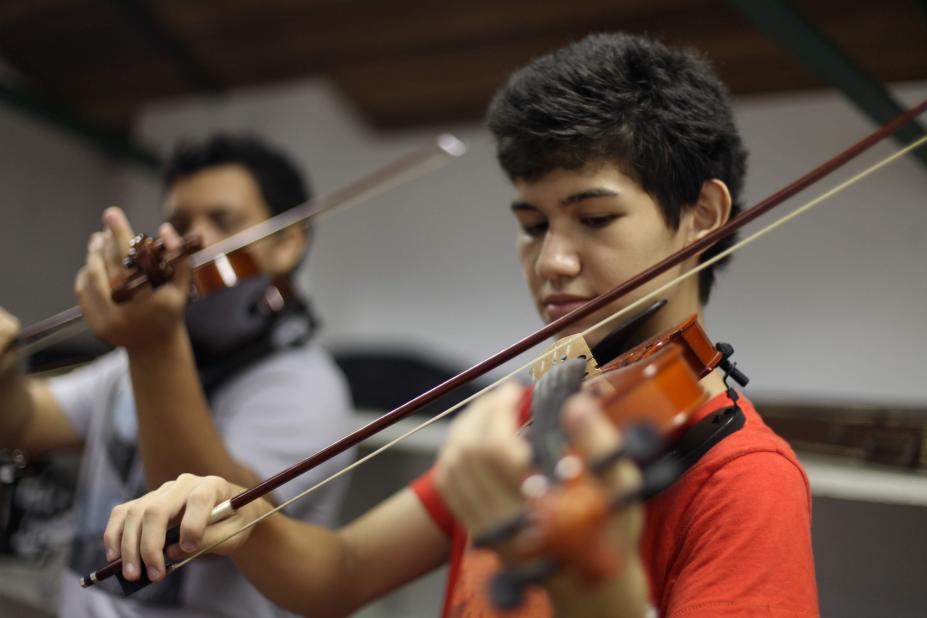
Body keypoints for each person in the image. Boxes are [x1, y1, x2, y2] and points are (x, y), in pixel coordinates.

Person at [97, 34, 819, 617]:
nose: (552, 262)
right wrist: (244, 522)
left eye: (594, 219)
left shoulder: (743, 482)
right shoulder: (539, 413)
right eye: (532, 225)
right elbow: (338, 576)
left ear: (701, 218)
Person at [0, 135, 355, 617]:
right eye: (181, 223)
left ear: (287, 241)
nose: (193, 242)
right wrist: (5, 373)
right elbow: (22, 423)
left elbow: (206, 524)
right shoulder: (135, 361)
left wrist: (152, 344)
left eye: (222, 220)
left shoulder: (307, 388)